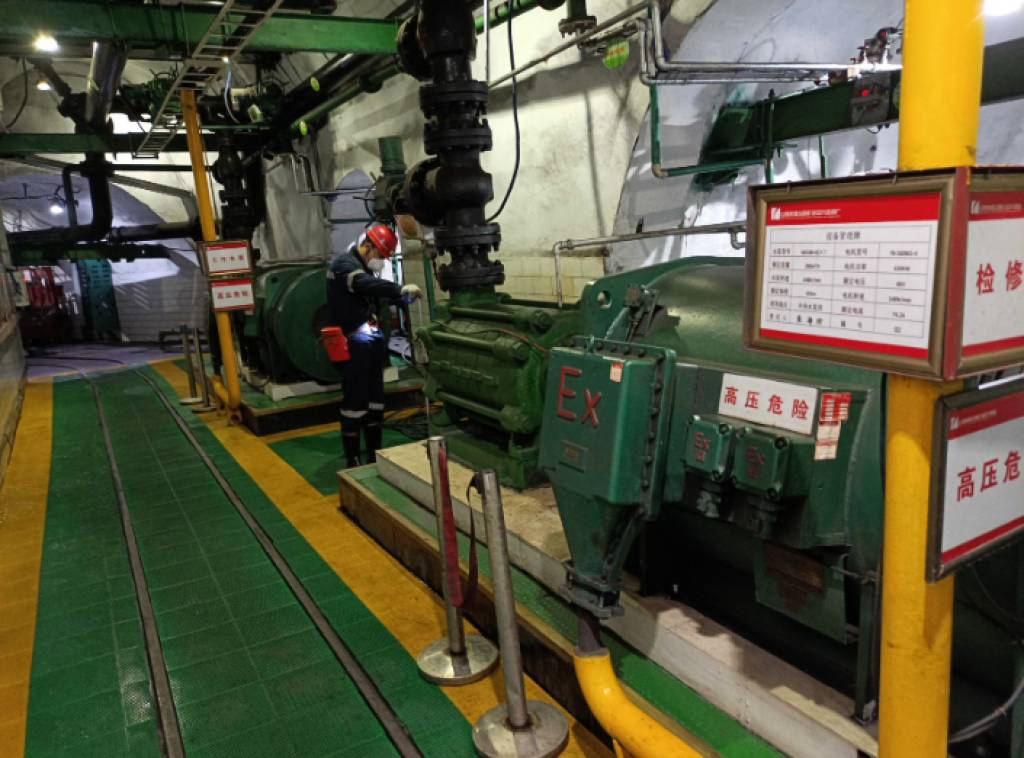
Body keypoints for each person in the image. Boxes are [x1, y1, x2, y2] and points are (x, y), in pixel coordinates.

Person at [326, 223, 422, 467]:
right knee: (355, 402)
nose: (381, 260)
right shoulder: (344, 266)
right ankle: (353, 460)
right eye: (381, 254)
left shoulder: (364, 268)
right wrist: (399, 288)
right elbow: (365, 285)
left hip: (370, 343)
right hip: (352, 344)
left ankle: (374, 454)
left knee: (375, 401)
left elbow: (374, 293)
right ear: (367, 246)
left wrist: (402, 298)